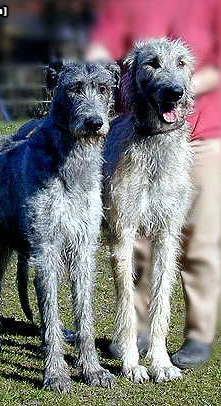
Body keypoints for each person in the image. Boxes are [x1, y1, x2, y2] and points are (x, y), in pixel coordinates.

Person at [85, 0, 220, 368]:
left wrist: (183, 84)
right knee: (129, 249)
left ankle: (177, 341)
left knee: (193, 245)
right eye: (154, 66)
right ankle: (130, 338)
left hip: (203, 135)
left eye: (178, 67)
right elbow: (100, 49)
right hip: (132, 140)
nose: (171, 77)